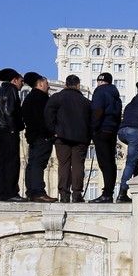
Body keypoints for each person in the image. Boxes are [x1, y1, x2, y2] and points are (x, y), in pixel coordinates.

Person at [44, 74, 92, 203]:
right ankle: (77, 195)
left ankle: (64, 195)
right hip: (81, 139)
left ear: (65, 85)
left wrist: (53, 131)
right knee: (78, 166)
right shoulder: (86, 103)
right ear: (78, 86)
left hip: (61, 137)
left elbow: (48, 115)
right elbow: (92, 121)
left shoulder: (56, 98)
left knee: (63, 165)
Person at [0, 68, 26, 202]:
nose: (22, 84)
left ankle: (2, 192)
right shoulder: (11, 90)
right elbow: (9, 110)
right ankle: (11, 192)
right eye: (21, 81)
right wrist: (14, 128)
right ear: (14, 80)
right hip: (8, 130)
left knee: (2, 162)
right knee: (12, 162)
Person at [21, 73, 56, 203]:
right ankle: (38, 192)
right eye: (46, 83)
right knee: (38, 164)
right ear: (40, 84)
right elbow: (48, 118)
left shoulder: (28, 99)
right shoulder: (42, 99)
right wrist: (52, 132)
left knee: (32, 164)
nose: (48, 86)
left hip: (32, 136)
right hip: (43, 136)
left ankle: (31, 192)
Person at [89, 72, 122, 203]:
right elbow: (119, 115)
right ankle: (109, 191)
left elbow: (97, 110)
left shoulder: (99, 92)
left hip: (101, 129)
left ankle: (106, 194)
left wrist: (93, 128)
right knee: (110, 162)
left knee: (104, 163)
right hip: (112, 130)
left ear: (100, 82)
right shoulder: (116, 95)